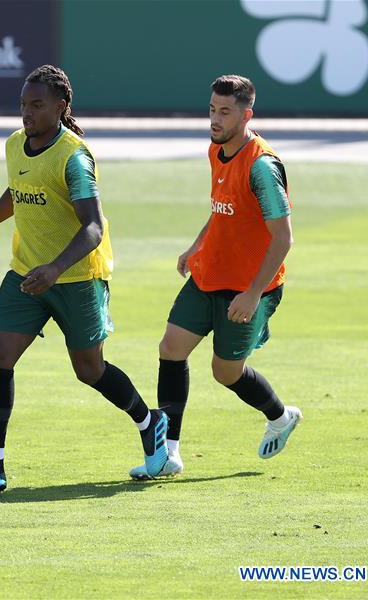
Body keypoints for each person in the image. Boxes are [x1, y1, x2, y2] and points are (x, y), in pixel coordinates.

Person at [0, 64, 169, 493]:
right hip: (27, 273)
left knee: (89, 370)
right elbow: (17, 192)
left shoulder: (74, 157)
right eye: (23, 105)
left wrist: (55, 269)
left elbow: (93, 228)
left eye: (37, 105)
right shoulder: (15, 145)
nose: (26, 113)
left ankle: (149, 420)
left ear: (61, 106)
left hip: (77, 277)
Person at [129, 75, 301, 480]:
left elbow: (283, 237)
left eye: (225, 112)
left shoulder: (261, 166)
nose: (215, 119)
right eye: (212, 109)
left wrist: (254, 292)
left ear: (247, 114)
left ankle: (280, 416)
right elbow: (224, 206)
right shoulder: (217, 149)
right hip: (209, 275)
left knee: (225, 372)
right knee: (171, 348)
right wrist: (196, 246)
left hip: (246, 286)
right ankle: (168, 453)